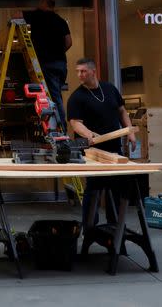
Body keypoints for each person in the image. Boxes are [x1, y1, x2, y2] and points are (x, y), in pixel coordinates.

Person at [66, 57, 136, 225]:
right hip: (93, 151)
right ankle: (89, 227)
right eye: (77, 71)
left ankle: (115, 226)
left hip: (114, 147)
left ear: (93, 71)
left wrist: (131, 132)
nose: (79, 74)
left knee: (116, 188)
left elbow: (122, 112)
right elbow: (75, 123)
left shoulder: (110, 89)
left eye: (83, 71)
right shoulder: (77, 97)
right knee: (94, 188)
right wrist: (89, 134)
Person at [18, 0, 72, 127]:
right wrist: (58, 52)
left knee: (54, 97)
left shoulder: (38, 16)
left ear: (43, 3)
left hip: (47, 63)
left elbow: (17, 15)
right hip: (61, 64)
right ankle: (56, 125)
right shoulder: (60, 20)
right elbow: (69, 42)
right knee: (55, 94)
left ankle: (61, 129)